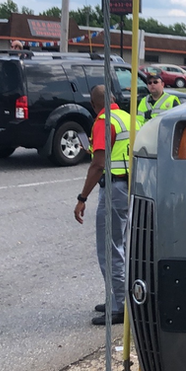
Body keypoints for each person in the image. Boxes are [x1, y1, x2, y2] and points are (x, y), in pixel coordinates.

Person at [74, 85, 133, 325]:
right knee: (122, 246)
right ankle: (121, 299)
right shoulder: (126, 117)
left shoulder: (103, 121)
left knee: (109, 249)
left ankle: (120, 307)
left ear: (93, 104)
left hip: (113, 189)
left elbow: (98, 164)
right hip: (129, 187)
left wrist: (82, 198)